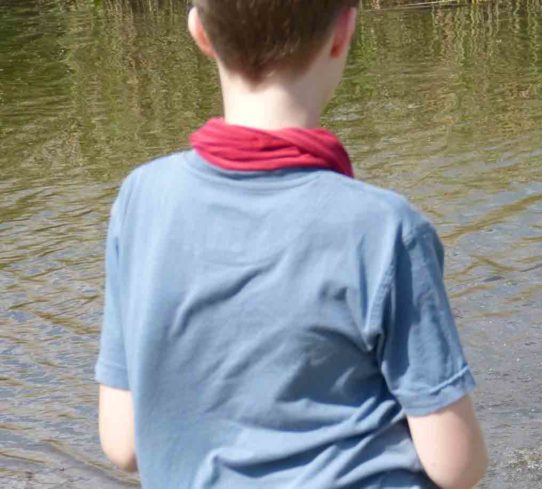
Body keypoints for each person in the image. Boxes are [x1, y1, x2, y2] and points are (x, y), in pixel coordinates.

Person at [94, 1, 487, 487]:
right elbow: (456, 467)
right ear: (344, 29)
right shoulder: (386, 229)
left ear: (200, 32)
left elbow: (122, 442)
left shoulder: (140, 200)